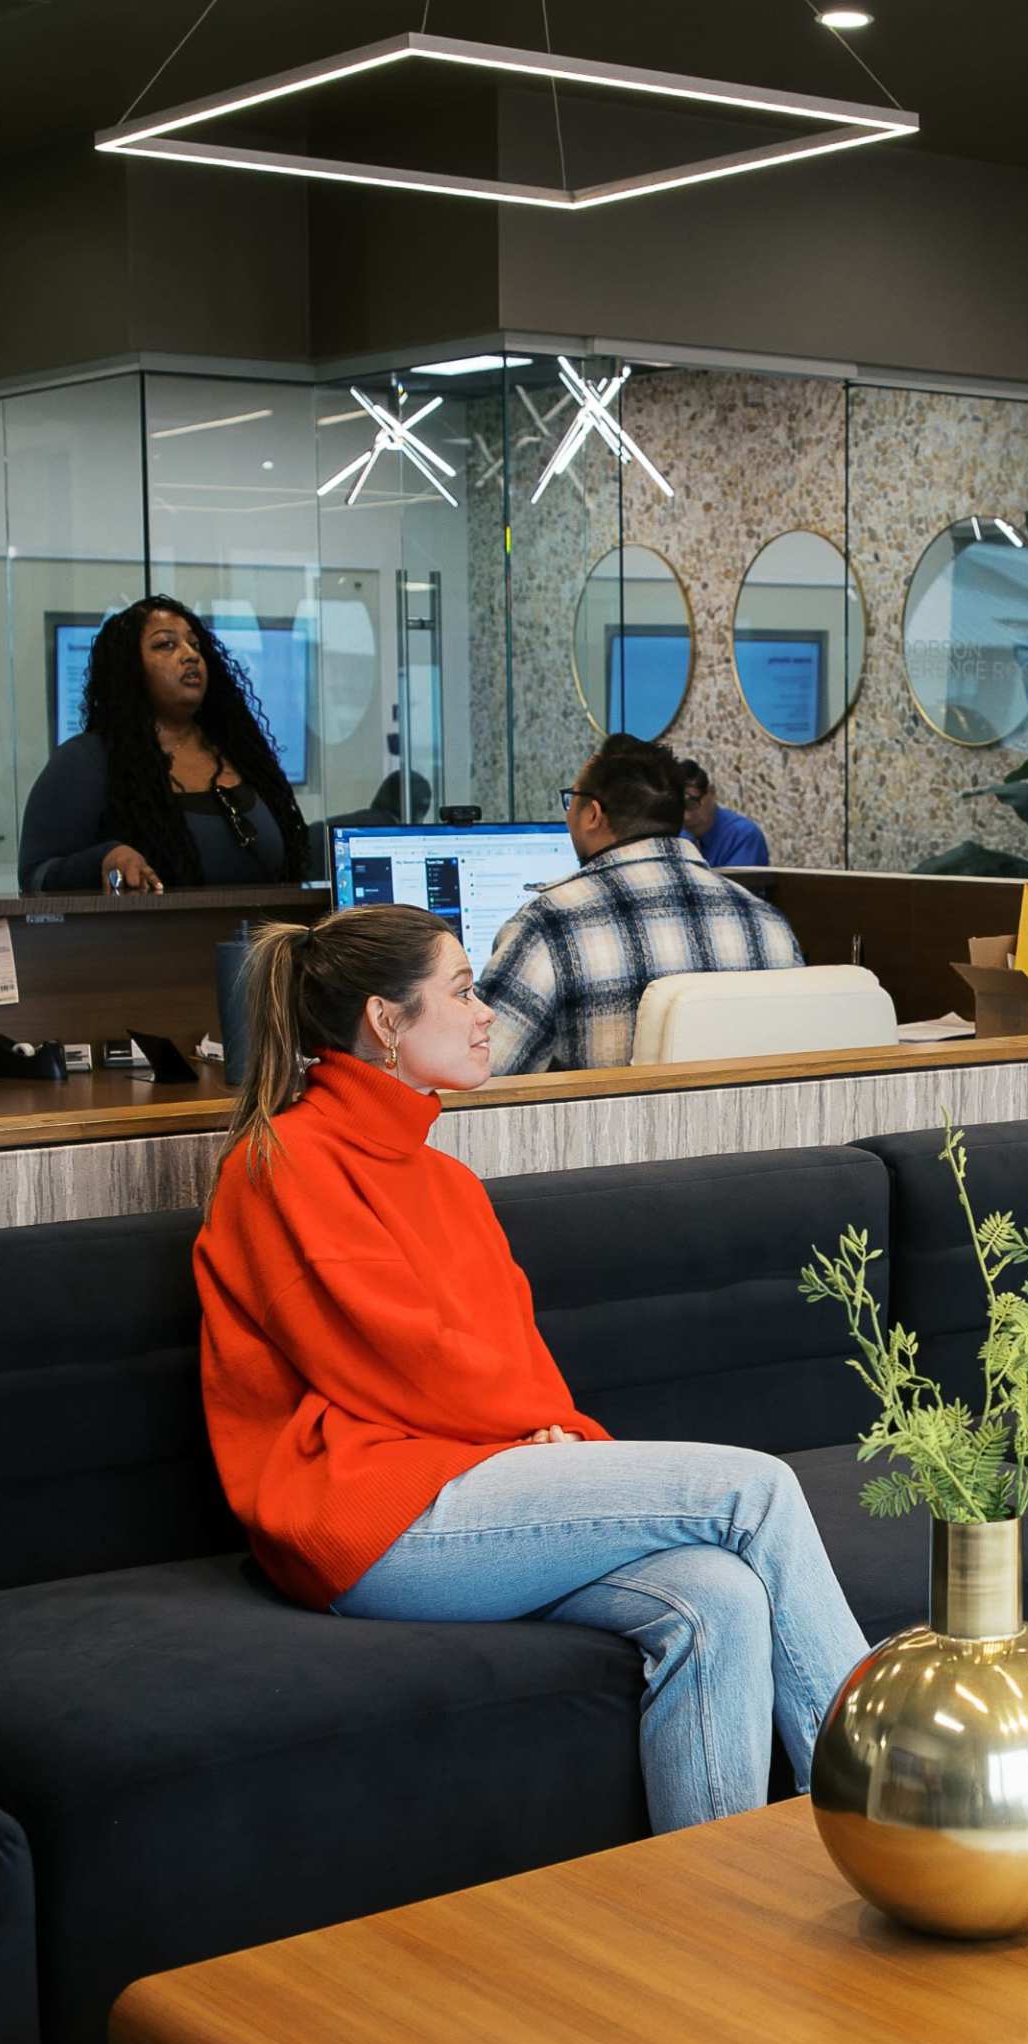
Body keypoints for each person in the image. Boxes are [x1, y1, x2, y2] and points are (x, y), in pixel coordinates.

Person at [193, 902, 867, 1827]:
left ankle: (716, 1911)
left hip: (475, 1483)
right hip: (368, 1515)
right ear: (386, 1023)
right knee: (757, 1492)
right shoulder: (284, 1165)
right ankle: (897, 1805)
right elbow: (402, 1364)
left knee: (720, 1597)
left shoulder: (445, 1180)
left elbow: (507, 1357)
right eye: (464, 992)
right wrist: (546, 1444)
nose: (486, 1015)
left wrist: (554, 1439)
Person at [477, 733, 804, 1075]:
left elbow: (481, 1075)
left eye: (571, 800)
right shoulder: (769, 925)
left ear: (593, 814)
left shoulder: (550, 927)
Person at [20, 598, 309, 894]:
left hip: (262, 938)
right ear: (129, 667)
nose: (190, 655)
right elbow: (35, 878)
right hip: (152, 939)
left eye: (195, 645)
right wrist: (104, 859)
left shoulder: (241, 753)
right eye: (165, 645)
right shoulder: (87, 760)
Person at [679, 756, 772, 869]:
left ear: (711, 792)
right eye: (677, 807)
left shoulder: (743, 835)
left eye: (692, 804)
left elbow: (737, 886)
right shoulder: (673, 833)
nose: (686, 816)